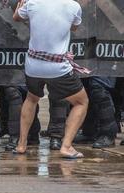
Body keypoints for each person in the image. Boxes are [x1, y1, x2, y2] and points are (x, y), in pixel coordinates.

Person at [13, 0, 89, 158]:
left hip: (33, 65)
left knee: (31, 98)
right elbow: (74, 27)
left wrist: (21, 5)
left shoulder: (32, 3)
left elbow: (16, 17)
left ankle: (21, 144)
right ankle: (66, 146)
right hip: (57, 67)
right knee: (81, 102)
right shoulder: (73, 6)